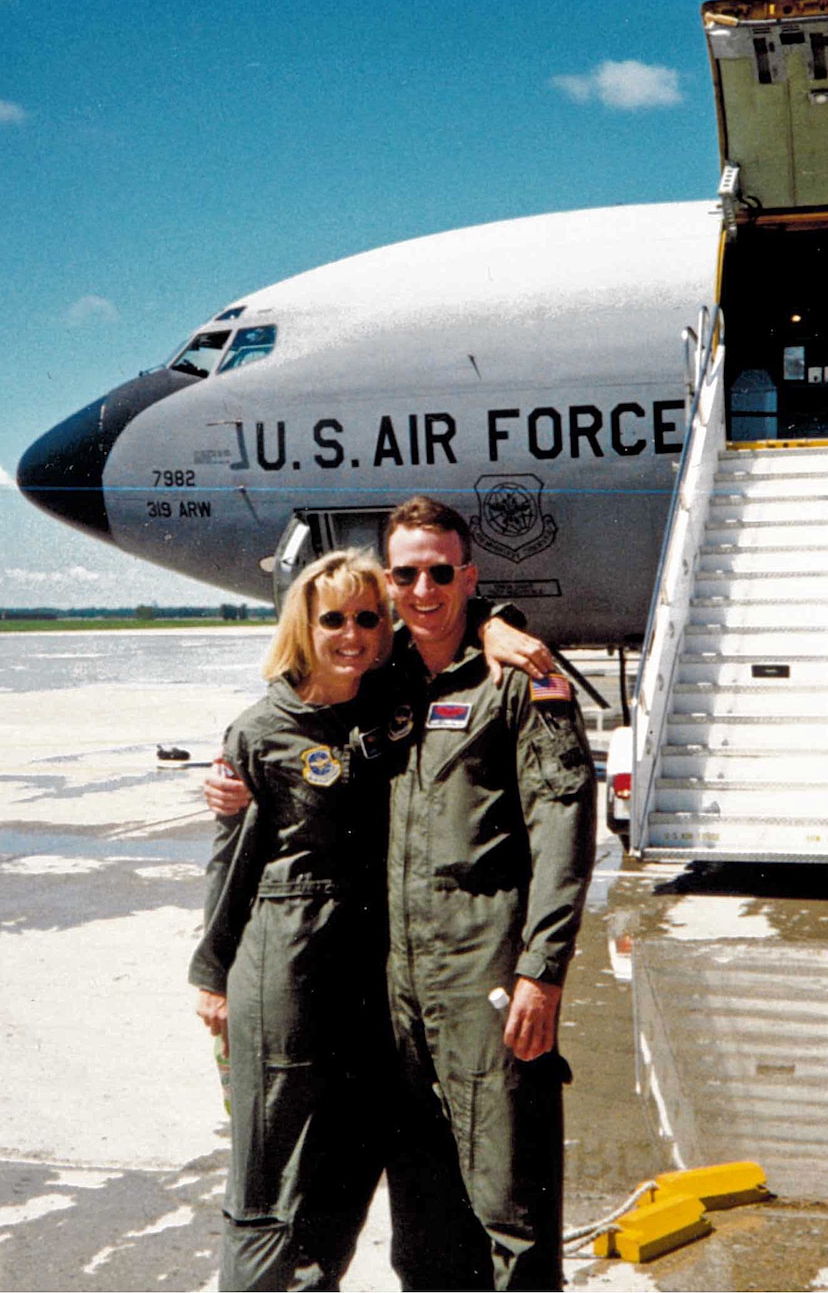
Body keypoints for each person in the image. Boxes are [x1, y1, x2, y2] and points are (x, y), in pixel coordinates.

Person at [208, 500, 596, 1291]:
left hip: (485, 980)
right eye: (408, 573)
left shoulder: (516, 680)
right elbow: (300, 716)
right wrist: (234, 776)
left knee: (510, 1205)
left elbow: (564, 824)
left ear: (468, 576)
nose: (424, 589)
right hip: (395, 997)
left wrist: (543, 968)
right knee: (423, 1218)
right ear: (391, 581)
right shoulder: (381, 685)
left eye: (441, 572)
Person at [189, 549, 398, 1291]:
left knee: (348, 1155)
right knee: (267, 1165)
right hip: (286, 965)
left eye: (367, 618)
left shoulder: (388, 708)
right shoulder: (260, 731)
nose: (351, 634)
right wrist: (212, 975)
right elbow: (231, 863)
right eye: (333, 618)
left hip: (371, 969)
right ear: (304, 626)